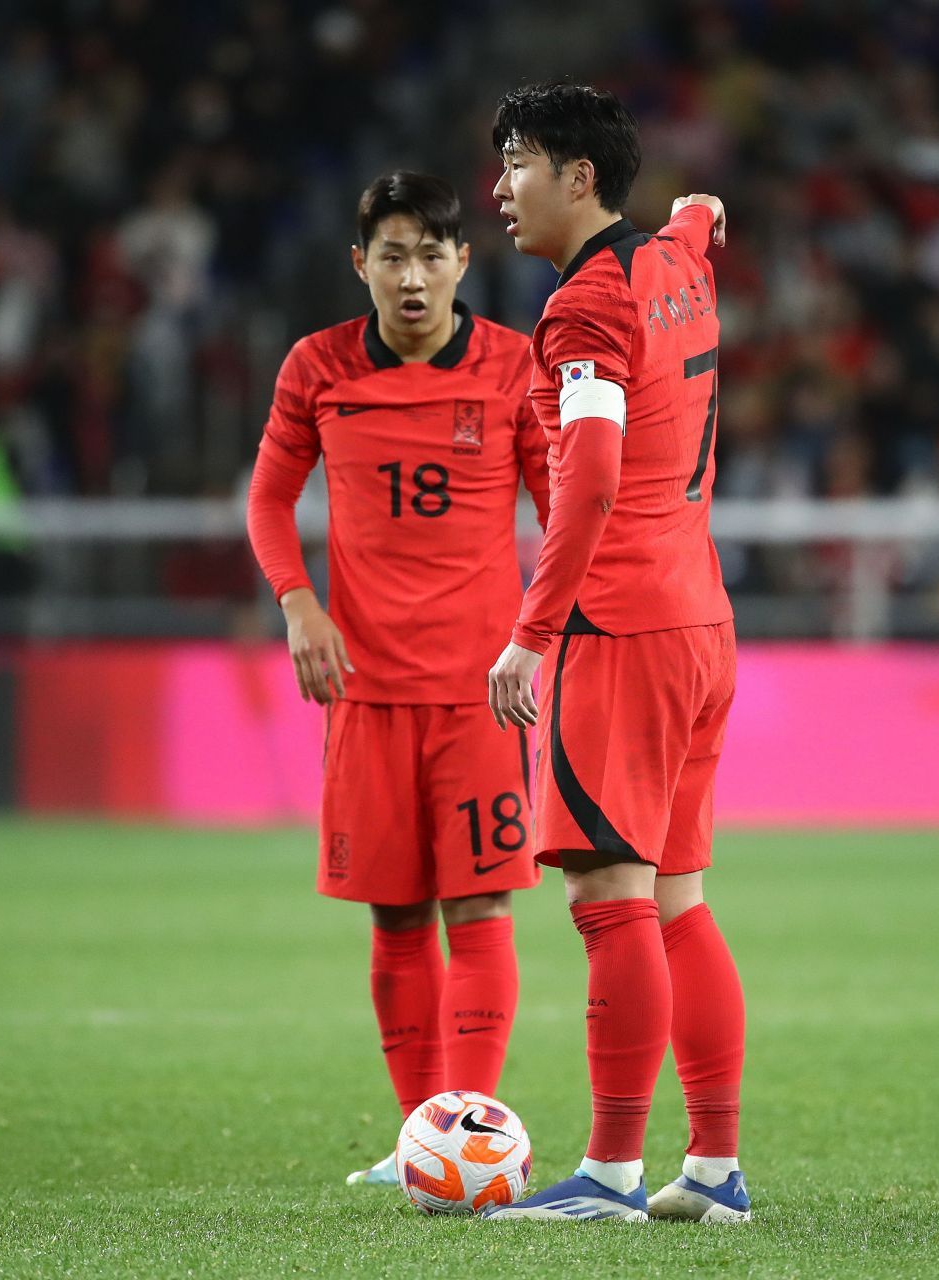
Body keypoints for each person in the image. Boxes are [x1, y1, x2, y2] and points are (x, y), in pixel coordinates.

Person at [245, 171, 551, 1186]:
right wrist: (297, 601)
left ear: (465, 262)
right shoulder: (317, 367)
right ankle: (420, 1138)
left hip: (482, 693)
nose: (412, 277)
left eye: (431, 255)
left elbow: (566, 512)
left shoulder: (513, 368)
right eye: (392, 255)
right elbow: (267, 500)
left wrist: (545, 636)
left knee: (480, 909)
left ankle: (469, 1131)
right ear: (360, 263)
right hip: (366, 693)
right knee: (396, 915)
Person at [479, 82, 748, 1224]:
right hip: (702, 621)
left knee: (608, 894)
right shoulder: (675, 266)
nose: (499, 189)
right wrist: (698, 211)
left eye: (518, 166)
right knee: (679, 898)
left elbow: (585, 475)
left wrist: (532, 634)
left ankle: (611, 1170)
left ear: (578, 177)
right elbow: (691, 228)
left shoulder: (583, 309)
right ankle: (717, 1169)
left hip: (622, 625)